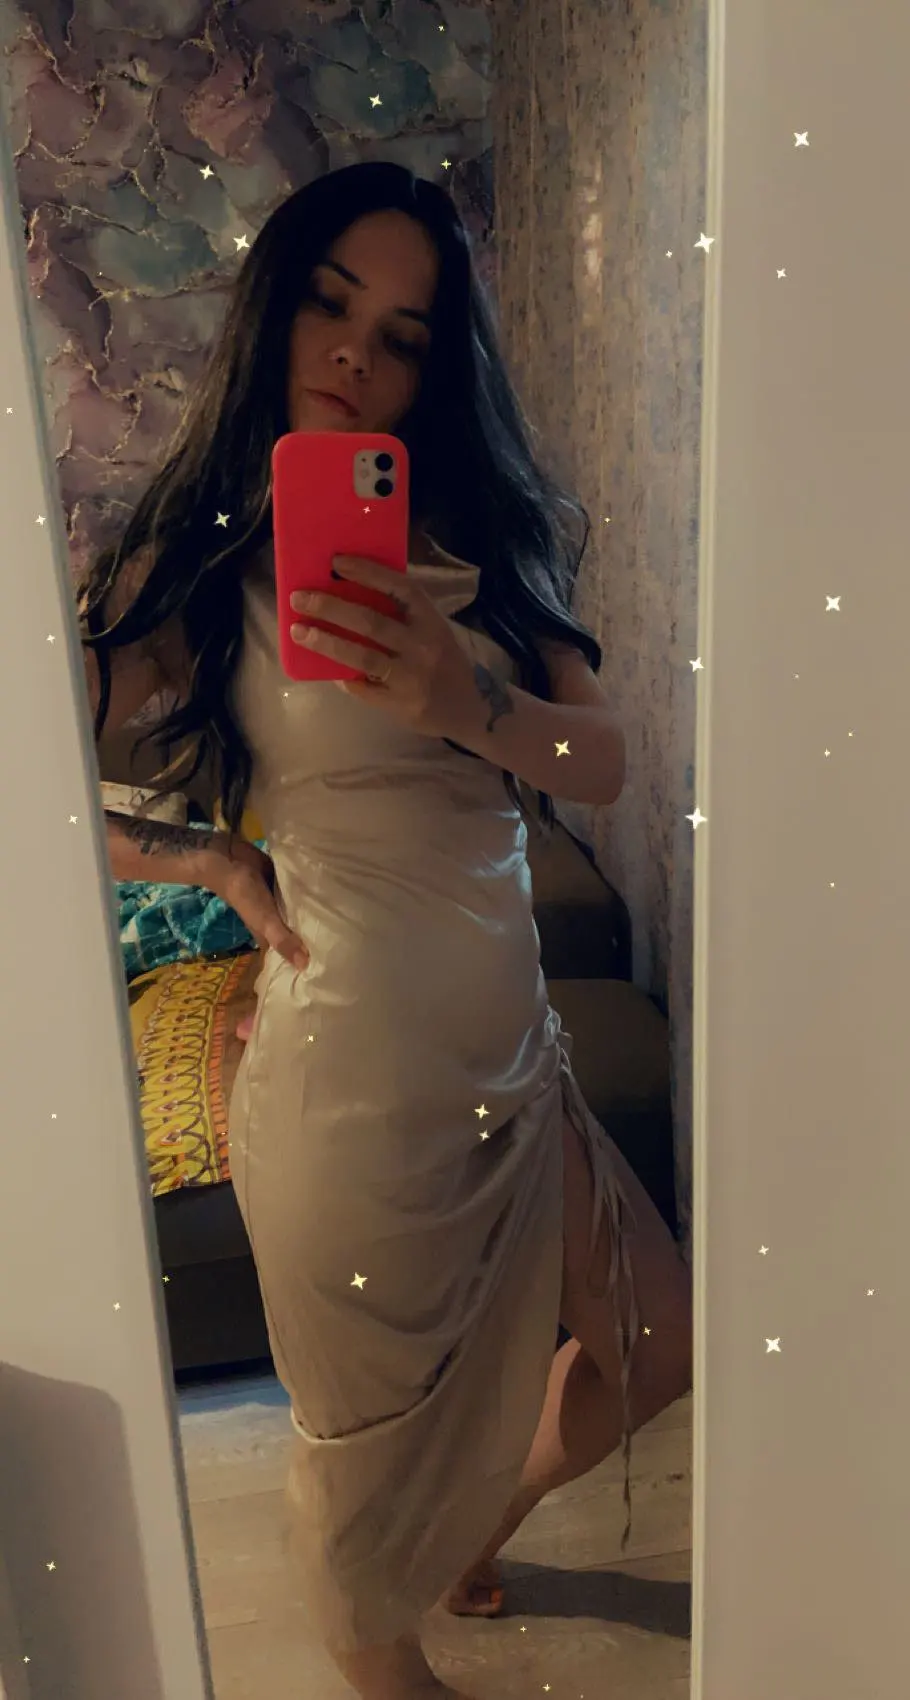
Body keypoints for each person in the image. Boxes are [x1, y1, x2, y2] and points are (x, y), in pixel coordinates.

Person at [81, 162, 692, 1700]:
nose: (356, 352)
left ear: (436, 371)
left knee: (661, 1344)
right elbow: (37, 769)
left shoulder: (483, 541)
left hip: (517, 1060)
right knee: (363, 1490)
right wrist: (211, 862)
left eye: (404, 336)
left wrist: (462, 699)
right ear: (273, 313)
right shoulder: (201, 575)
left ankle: (478, 1521)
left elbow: (602, 761)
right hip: (344, 1090)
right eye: (329, 305)